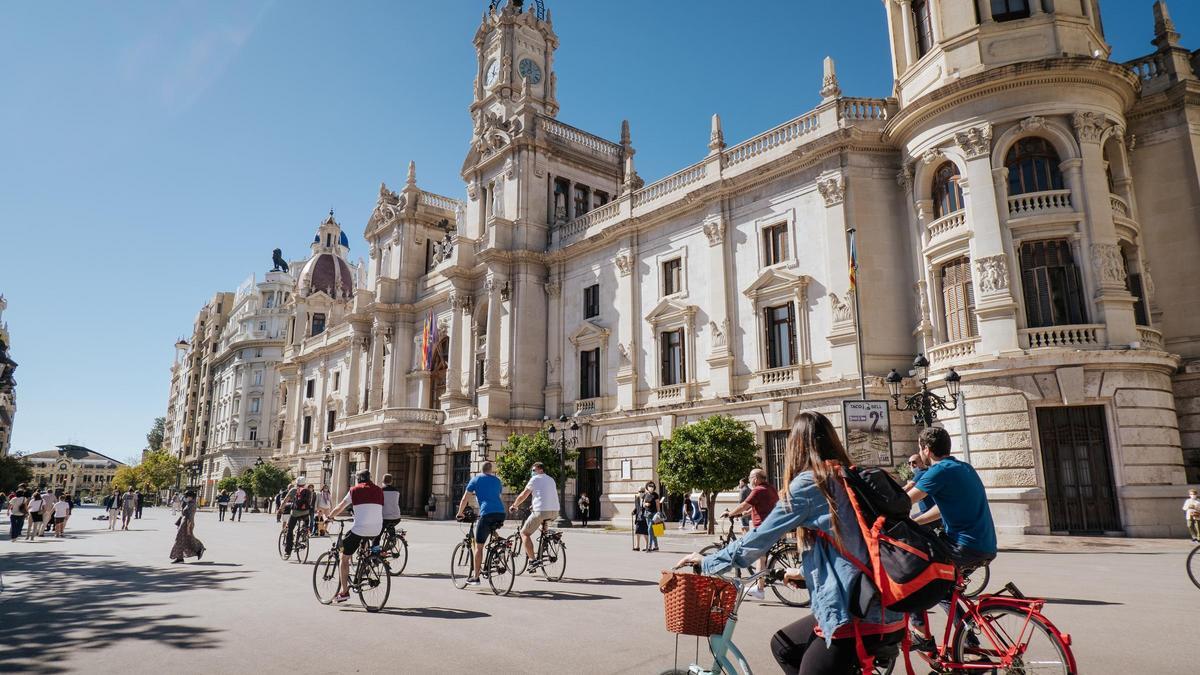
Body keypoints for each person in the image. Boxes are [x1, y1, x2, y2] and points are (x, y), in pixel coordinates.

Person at [675, 411, 905, 674]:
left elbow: (759, 539)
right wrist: (805, 572)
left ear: (796, 446)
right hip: (888, 607)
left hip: (854, 614)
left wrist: (709, 562)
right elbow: (853, 544)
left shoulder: (812, 482)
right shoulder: (854, 475)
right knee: (784, 646)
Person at [906, 426, 997, 644]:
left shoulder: (938, 471)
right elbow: (942, 508)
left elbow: (905, 500)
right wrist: (915, 521)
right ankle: (969, 644)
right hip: (985, 545)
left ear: (926, 449)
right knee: (944, 590)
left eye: (920, 448)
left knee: (912, 572)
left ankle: (920, 632)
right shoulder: (964, 468)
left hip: (963, 546)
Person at [327, 471, 384, 603]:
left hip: (361, 529)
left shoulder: (354, 490)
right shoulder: (379, 490)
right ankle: (365, 566)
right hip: (377, 529)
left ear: (358, 479)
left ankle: (344, 591)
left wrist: (329, 517)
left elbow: (340, 507)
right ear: (370, 478)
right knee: (362, 544)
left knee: (343, 557)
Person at [722, 468, 779, 599]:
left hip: (762, 529)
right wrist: (746, 514)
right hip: (772, 527)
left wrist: (730, 513)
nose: (749, 480)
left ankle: (759, 589)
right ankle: (761, 580)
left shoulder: (758, 490)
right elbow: (759, 506)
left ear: (756, 479)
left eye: (750, 478)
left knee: (759, 557)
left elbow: (744, 505)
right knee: (762, 557)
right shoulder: (770, 488)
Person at [455, 461, 505, 586]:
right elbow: (497, 495)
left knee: (479, 546)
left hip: (486, 512)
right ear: (491, 469)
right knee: (491, 528)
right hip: (501, 513)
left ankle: (476, 577)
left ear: (481, 469)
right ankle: (499, 547)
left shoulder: (476, 479)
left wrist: (460, 513)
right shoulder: (497, 480)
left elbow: (465, 498)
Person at [509, 462, 560, 569]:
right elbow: (544, 495)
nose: (532, 472)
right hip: (555, 511)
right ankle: (545, 541)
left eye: (533, 470)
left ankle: (532, 560)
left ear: (540, 470)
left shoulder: (535, 479)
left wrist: (514, 505)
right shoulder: (551, 479)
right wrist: (534, 505)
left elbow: (524, 494)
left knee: (524, 533)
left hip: (541, 511)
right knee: (542, 523)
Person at [280, 477, 314, 558]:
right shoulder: (308, 491)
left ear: (297, 483)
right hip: (306, 513)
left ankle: (288, 551)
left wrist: (281, 509)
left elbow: (285, 500)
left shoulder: (293, 490)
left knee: (290, 530)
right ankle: (304, 536)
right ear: (305, 484)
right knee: (305, 525)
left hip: (295, 513)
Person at [170, 490, 205, 563]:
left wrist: (189, 526)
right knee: (185, 539)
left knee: (181, 539)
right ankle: (180, 557)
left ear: (191, 497)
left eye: (187, 496)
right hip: (184, 522)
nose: (186, 498)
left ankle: (199, 548)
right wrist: (179, 522)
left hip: (187, 523)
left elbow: (190, 516)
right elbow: (183, 514)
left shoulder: (192, 505)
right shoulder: (189, 503)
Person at [380, 474, 402, 544]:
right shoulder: (397, 491)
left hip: (384, 517)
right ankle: (392, 540)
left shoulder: (380, 491)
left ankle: (375, 551)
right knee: (390, 525)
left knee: (377, 536)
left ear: (382, 481)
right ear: (391, 481)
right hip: (397, 517)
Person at [642, 482, 660, 552]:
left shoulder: (655, 495)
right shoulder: (646, 495)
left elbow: (658, 504)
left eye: (652, 486)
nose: (651, 487)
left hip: (654, 514)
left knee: (649, 529)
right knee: (652, 530)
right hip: (647, 514)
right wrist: (646, 504)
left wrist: (658, 513)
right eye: (650, 486)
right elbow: (643, 504)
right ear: (647, 487)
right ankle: (656, 546)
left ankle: (649, 546)